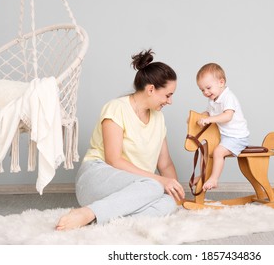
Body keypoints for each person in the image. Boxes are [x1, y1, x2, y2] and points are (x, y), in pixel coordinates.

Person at [56, 49, 185, 230]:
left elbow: (165, 164)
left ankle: (106, 218)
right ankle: (88, 213)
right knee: (155, 187)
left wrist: (175, 191)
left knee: (168, 204)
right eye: (168, 95)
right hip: (96, 178)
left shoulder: (159, 118)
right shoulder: (116, 108)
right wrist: (161, 182)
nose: (170, 101)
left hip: (136, 188)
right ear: (150, 89)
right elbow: (113, 159)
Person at [195, 63, 250, 191]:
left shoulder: (228, 97)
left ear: (221, 82)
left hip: (237, 137)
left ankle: (214, 179)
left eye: (208, 88)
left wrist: (209, 119)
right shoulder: (213, 99)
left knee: (218, 152)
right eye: (202, 90)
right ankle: (203, 175)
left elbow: (227, 116)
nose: (205, 92)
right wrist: (197, 117)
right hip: (224, 136)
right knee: (204, 148)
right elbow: (209, 113)